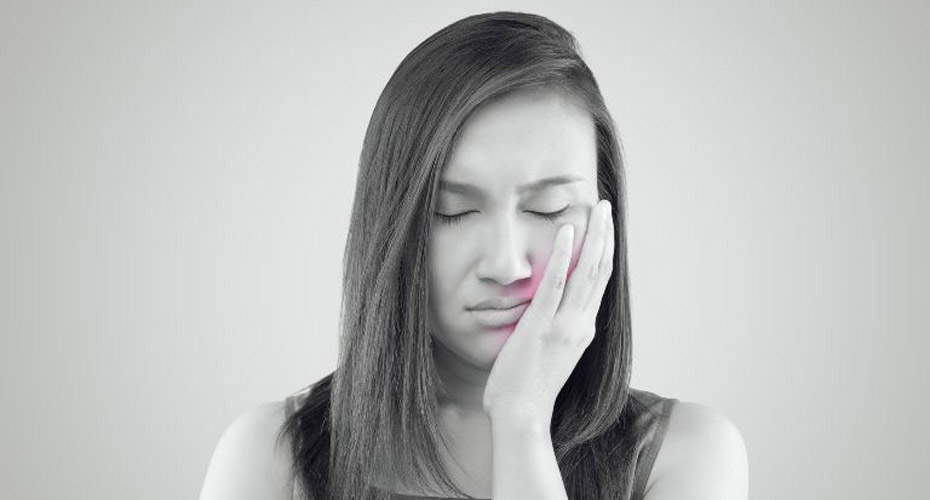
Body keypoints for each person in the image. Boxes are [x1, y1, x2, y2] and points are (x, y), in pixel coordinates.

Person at [198, 11, 748, 500]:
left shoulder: (685, 455)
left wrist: (521, 420)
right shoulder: (273, 457)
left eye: (549, 208)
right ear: (392, 223)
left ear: (604, 221)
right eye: (452, 212)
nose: (506, 266)